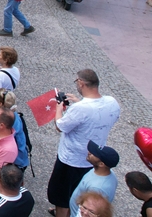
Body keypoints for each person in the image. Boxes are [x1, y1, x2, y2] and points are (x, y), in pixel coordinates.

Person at [47, 69, 121, 217]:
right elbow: (95, 115)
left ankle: (62, 213)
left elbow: (60, 126)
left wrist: (58, 109)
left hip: (70, 159)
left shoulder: (80, 108)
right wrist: (79, 103)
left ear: (81, 83)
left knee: (62, 196)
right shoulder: (112, 102)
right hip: (91, 160)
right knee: (80, 193)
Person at [67, 142, 119, 217]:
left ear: (101, 164)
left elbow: (90, 211)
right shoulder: (104, 172)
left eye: (94, 154)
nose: (89, 153)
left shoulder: (97, 188)